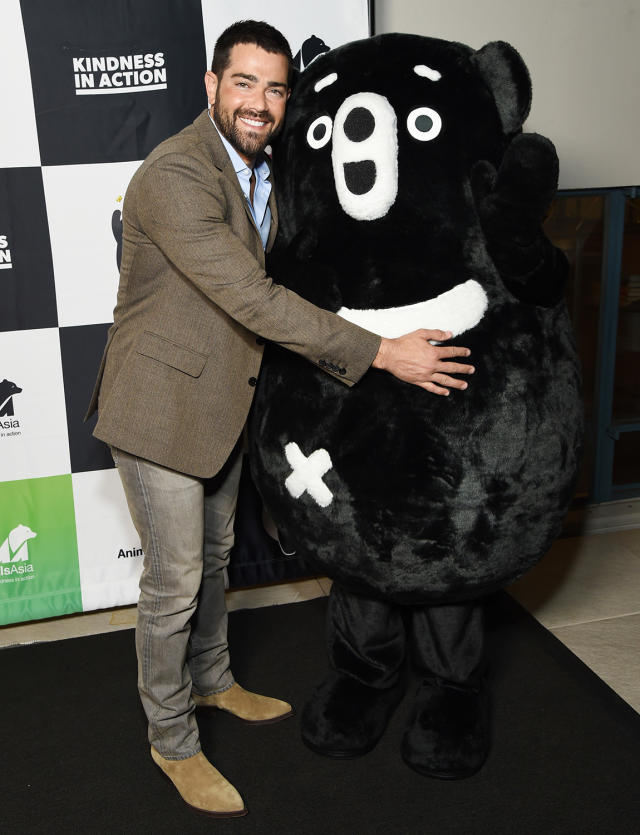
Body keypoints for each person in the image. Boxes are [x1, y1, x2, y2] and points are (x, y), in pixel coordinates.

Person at [86, 19, 475, 818]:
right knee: (174, 582)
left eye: (274, 87)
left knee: (219, 553)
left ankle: (216, 681)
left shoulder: (266, 166)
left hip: (225, 395)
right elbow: (256, 298)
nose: (260, 103)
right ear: (210, 86)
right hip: (159, 406)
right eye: (244, 83)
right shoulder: (176, 176)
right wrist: (384, 352)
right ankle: (172, 739)